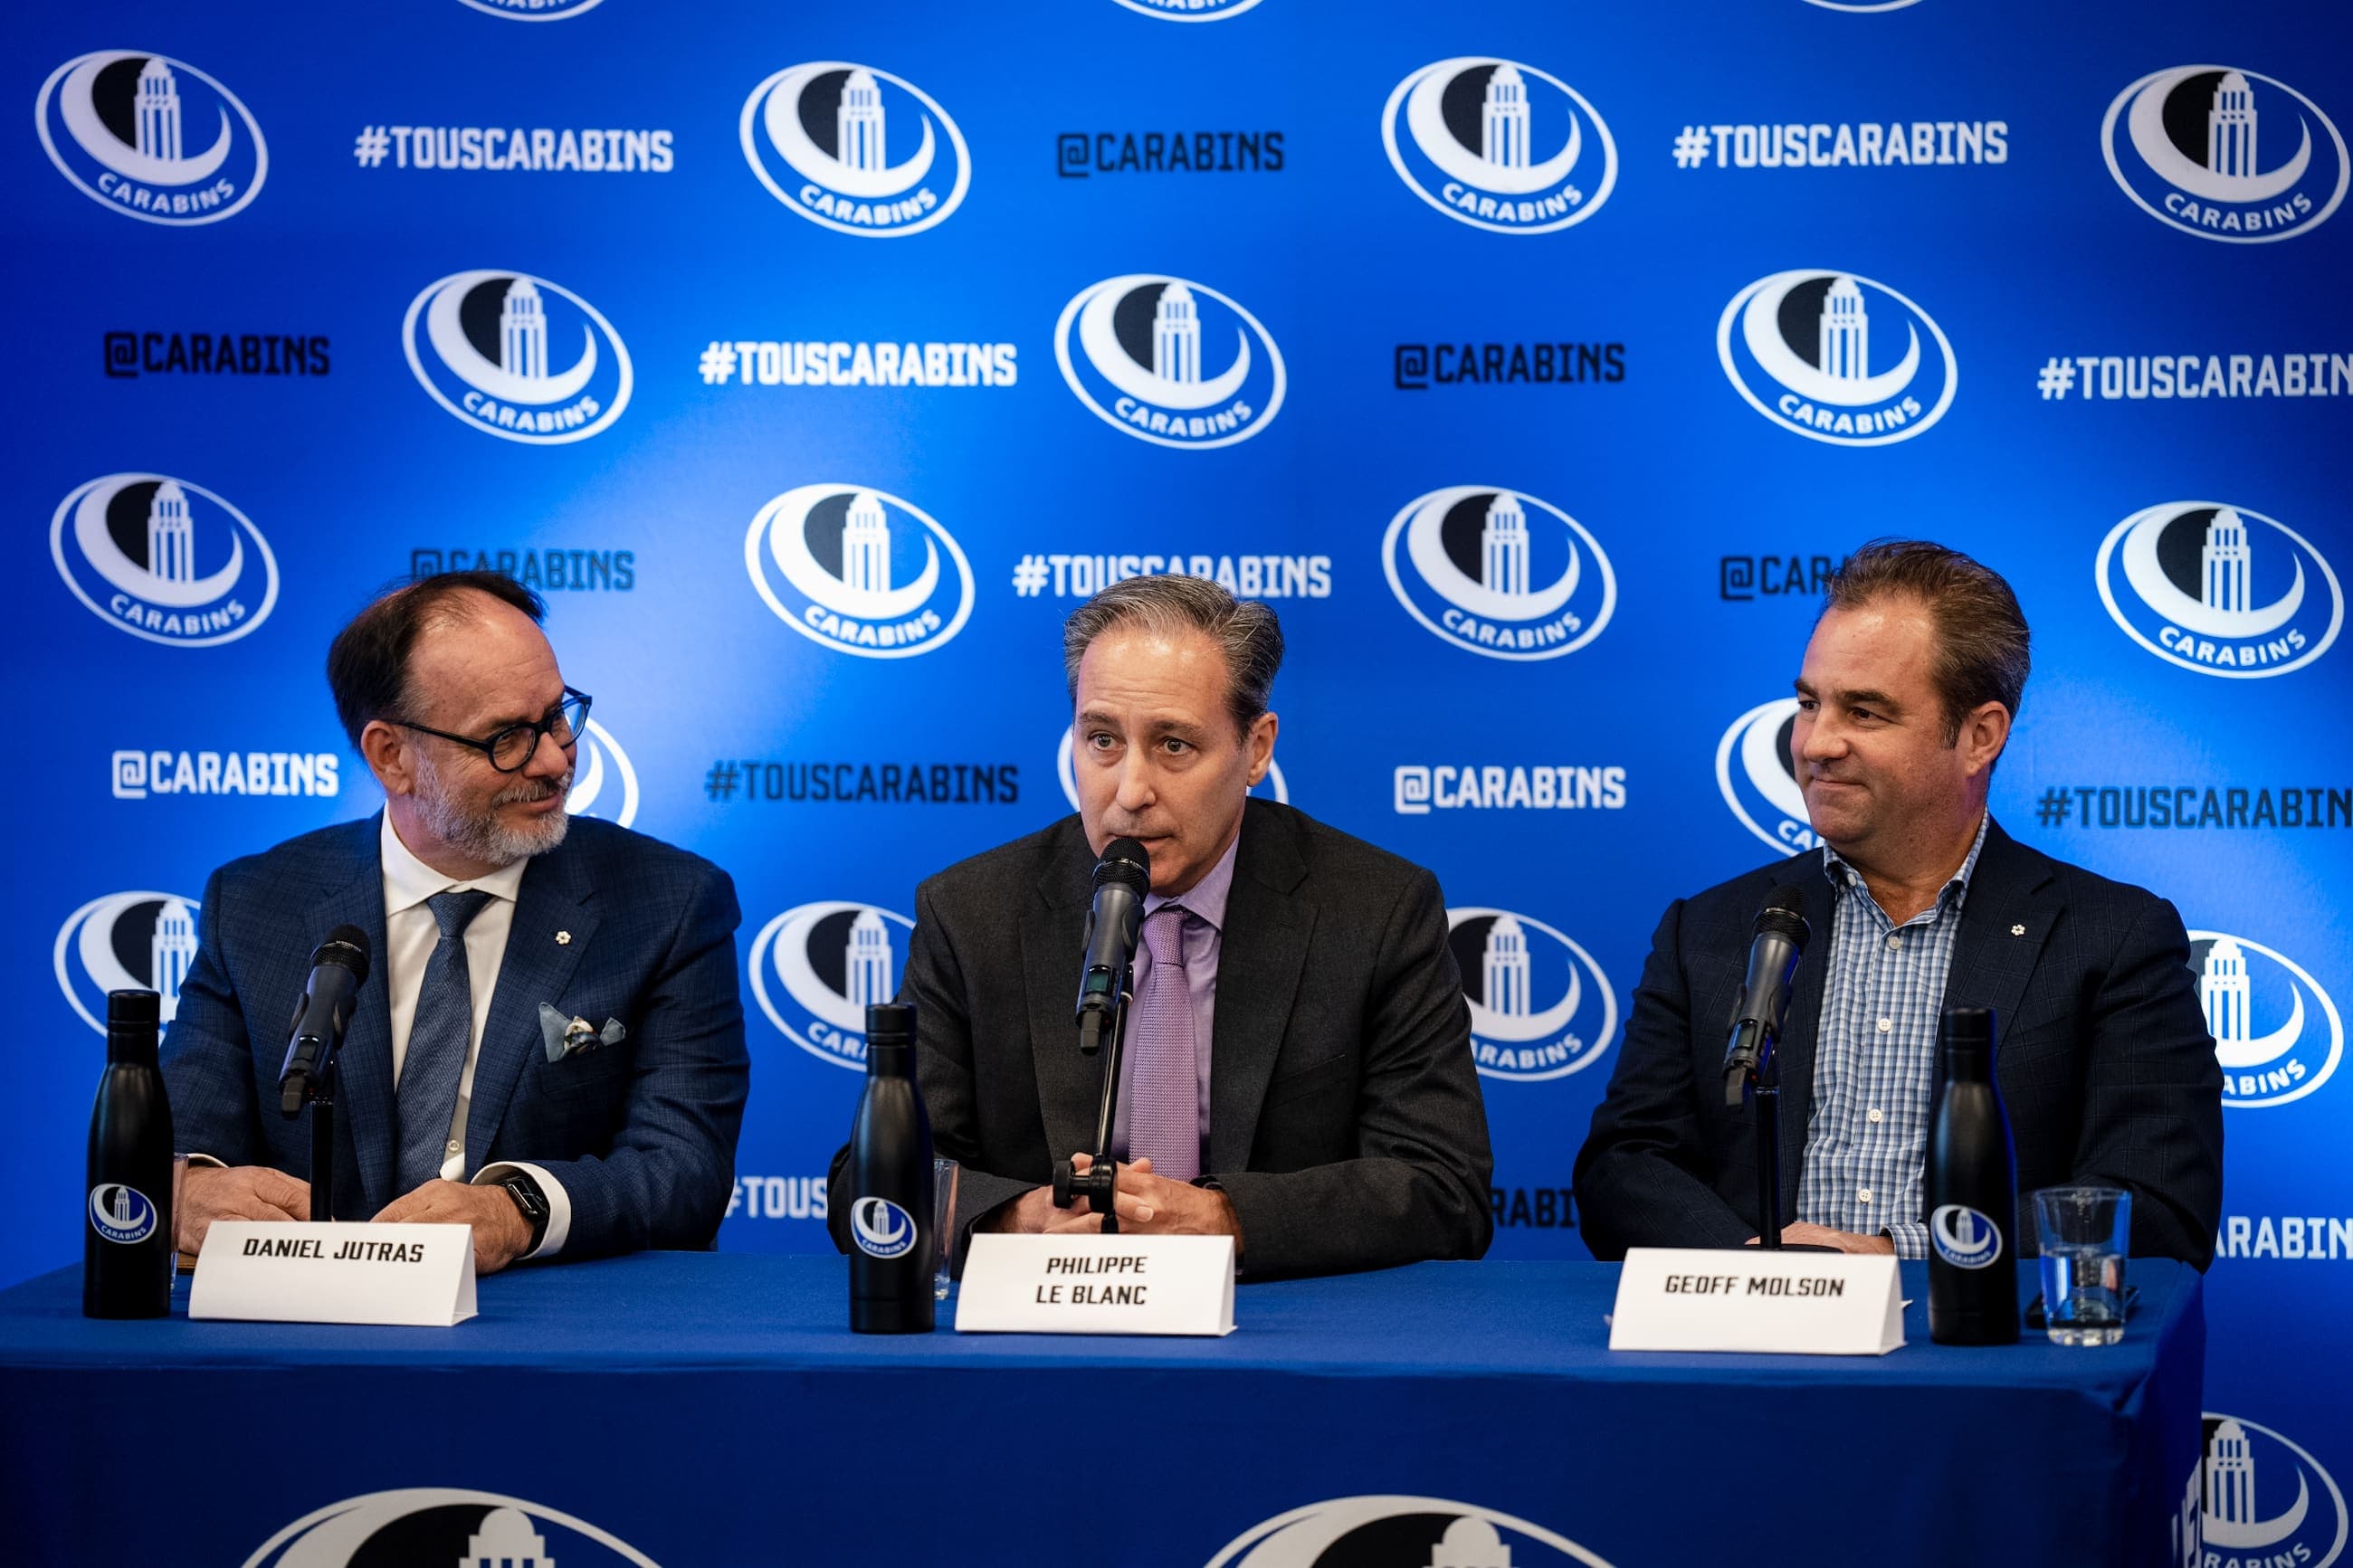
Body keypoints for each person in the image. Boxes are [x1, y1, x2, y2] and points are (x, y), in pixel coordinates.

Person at [1575, 541, 2223, 1266]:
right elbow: (1623, 1168)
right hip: (1749, 1331)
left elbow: (2156, 1206)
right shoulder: (1708, 930)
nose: (1816, 743)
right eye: (1809, 704)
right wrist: (1764, 1272)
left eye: (1865, 711)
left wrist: (1892, 1255)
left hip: (1977, 1336)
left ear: (1979, 736)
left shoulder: (2110, 937)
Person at [828, 575, 1492, 1278]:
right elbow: (867, 1187)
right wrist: (1016, 1220)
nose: (1130, 791)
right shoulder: (971, 914)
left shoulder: (1376, 911)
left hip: (1276, 1327)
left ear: (1257, 748)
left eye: (1174, 745)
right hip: (1049, 1325)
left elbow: (1444, 1185)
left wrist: (1226, 1219)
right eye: (1102, 740)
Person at [163, 572, 749, 1275]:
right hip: (307, 1319)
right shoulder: (256, 905)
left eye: (557, 715)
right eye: (507, 737)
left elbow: (684, 1168)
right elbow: (178, 1142)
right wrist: (189, 1190)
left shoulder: (668, 903)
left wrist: (519, 1209)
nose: (555, 758)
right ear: (392, 756)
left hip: (546, 1323)